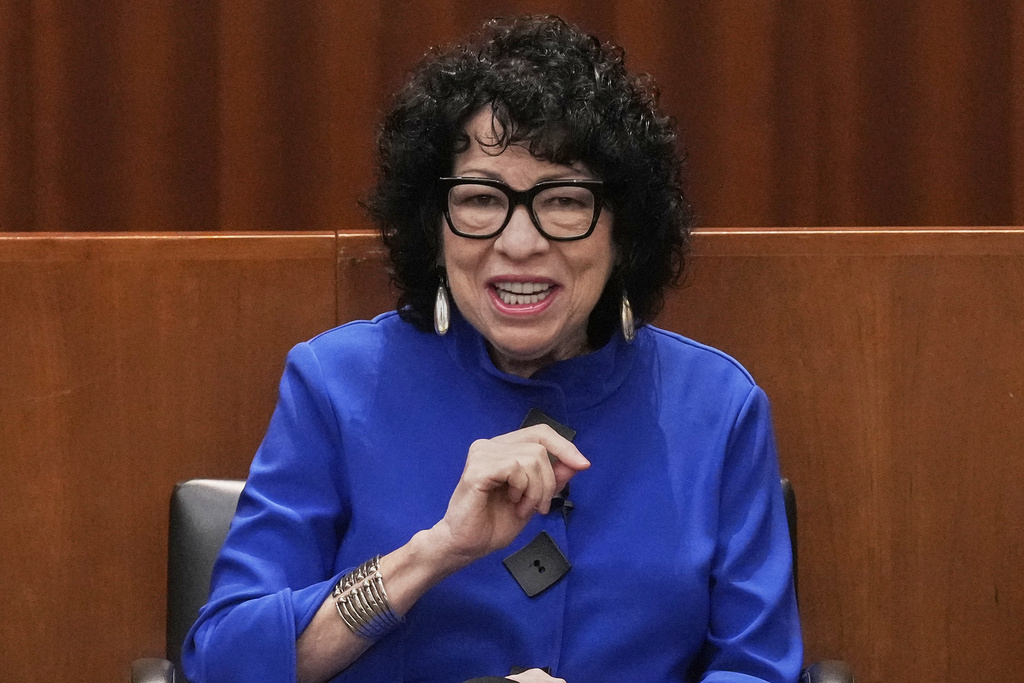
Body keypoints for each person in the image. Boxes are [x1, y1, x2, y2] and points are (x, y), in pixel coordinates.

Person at [182, 15, 802, 683]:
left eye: (563, 200)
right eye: (481, 199)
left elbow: (757, 667)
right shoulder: (338, 386)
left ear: (622, 231)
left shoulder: (715, 407)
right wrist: (435, 551)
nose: (519, 243)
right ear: (435, 225)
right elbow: (225, 661)